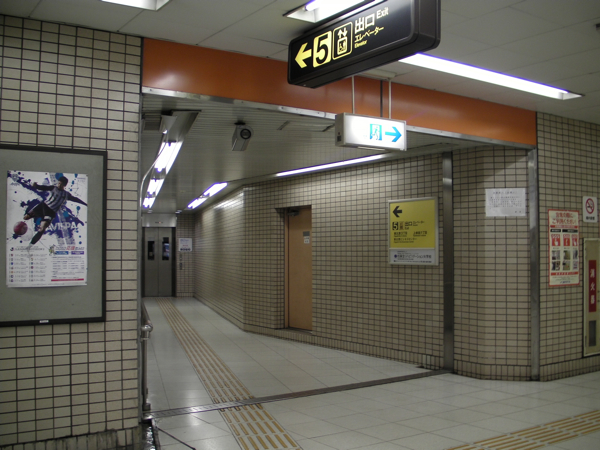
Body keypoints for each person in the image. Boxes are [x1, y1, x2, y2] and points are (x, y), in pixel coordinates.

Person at [23, 176, 87, 245]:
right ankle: (23, 230)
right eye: (58, 183)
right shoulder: (53, 188)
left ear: (64, 185)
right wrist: (36, 186)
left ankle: (30, 245)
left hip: (50, 212)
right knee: (25, 217)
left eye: (61, 184)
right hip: (43, 206)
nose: (59, 185)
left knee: (42, 229)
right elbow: (43, 187)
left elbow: (76, 199)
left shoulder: (66, 194)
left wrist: (86, 204)